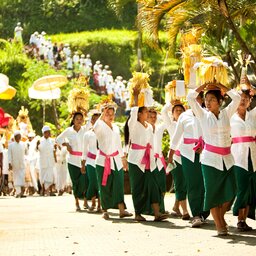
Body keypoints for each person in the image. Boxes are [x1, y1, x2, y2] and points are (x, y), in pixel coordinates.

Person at [187, 84, 241, 236]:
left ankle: (221, 217)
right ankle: (219, 225)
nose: (208, 102)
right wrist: (203, 86)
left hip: (228, 159)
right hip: (209, 160)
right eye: (206, 99)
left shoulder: (226, 113)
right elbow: (190, 98)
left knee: (232, 192)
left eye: (212, 99)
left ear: (219, 101)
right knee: (212, 193)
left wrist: (221, 86)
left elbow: (236, 98)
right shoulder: (203, 115)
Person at [125, 88, 168, 221]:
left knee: (153, 185)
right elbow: (133, 111)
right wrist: (137, 96)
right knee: (137, 187)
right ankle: (138, 213)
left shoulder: (149, 127)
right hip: (135, 159)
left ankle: (157, 213)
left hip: (148, 160)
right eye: (145, 111)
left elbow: (152, 144)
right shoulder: (133, 124)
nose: (147, 113)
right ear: (139, 114)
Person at [168, 94, 210, 227]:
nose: (196, 101)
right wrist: (170, 154)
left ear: (201, 100)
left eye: (198, 98)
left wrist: (204, 145)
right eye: (193, 99)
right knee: (193, 184)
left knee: (205, 183)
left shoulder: (208, 114)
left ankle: (205, 212)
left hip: (206, 152)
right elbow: (176, 137)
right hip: (187, 154)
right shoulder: (183, 116)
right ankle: (196, 215)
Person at [93, 102, 132, 220]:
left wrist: (123, 158)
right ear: (103, 114)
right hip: (102, 161)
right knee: (104, 185)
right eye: (107, 113)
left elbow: (118, 145)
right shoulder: (99, 125)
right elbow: (95, 127)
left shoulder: (115, 128)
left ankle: (121, 210)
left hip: (116, 160)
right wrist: (102, 113)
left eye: (112, 113)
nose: (110, 116)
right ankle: (105, 210)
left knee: (119, 185)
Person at [231, 89, 256, 231]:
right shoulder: (229, 116)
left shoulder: (252, 115)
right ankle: (237, 215)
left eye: (246, 98)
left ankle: (243, 220)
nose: (243, 100)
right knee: (242, 187)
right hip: (237, 157)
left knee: (251, 189)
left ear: (250, 100)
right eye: (240, 97)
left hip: (253, 155)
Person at [162, 102, 190, 221]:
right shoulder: (171, 125)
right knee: (179, 183)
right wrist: (171, 102)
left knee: (185, 184)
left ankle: (175, 206)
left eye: (181, 110)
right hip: (175, 158)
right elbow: (163, 112)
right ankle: (185, 211)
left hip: (188, 157)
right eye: (176, 110)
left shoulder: (189, 124)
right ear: (172, 114)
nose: (179, 112)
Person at [56, 112, 89, 211]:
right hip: (72, 160)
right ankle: (77, 202)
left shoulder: (85, 130)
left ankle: (85, 201)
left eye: (81, 119)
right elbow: (58, 139)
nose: (79, 121)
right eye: (77, 119)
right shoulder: (69, 131)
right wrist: (66, 144)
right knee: (75, 182)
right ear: (73, 120)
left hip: (84, 160)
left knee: (84, 181)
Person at [81, 111, 101, 212]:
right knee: (93, 182)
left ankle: (99, 205)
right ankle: (90, 201)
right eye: (95, 119)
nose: (97, 121)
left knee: (100, 183)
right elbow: (84, 151)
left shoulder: (103, 133)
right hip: (90, 161)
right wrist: (83, 164)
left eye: (99, 119)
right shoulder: (87, 134)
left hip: (101, 160)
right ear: (92, 121)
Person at [36, 126, 56, 196]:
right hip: (43, 161)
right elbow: (36, 150)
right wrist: (37, 145)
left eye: (49, 132)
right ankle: (43, 190)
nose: (49, 133)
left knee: (50, 176)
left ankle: (50, 191)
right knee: (43, 176)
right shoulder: (40, 140)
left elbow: (53, 150)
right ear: (44, 133)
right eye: (48, 132)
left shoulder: (52, 141)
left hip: (50, 161)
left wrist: (55, 159)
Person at [8, 131, 26, 198]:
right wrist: (9, 163)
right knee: (16, 178)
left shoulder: (23, 144)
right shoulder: (11, 145)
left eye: (19, 136)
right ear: (15, 137)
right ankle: (18, 193)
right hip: (15, 164)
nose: (19, 137)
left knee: (21, 177)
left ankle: (21, 193)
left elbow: (24, 154)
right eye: (17, 136)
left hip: (22, 164)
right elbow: (9, 155)